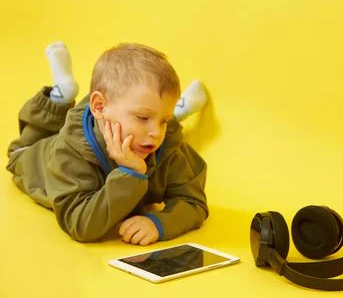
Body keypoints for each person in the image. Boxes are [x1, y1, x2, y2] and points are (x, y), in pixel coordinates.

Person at [6, 42, 209, 246]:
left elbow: (193, 201)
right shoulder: (68, 151)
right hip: (32, 154)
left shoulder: (162, 141)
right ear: (99, 107)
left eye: (164, 120)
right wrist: (131, 174)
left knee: (155, 120)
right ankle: (60, 93)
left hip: (105, 117)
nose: (157, 133)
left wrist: (159, 223)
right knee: (19, 151)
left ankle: (173, 110)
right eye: (142, 117)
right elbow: (81, 224)